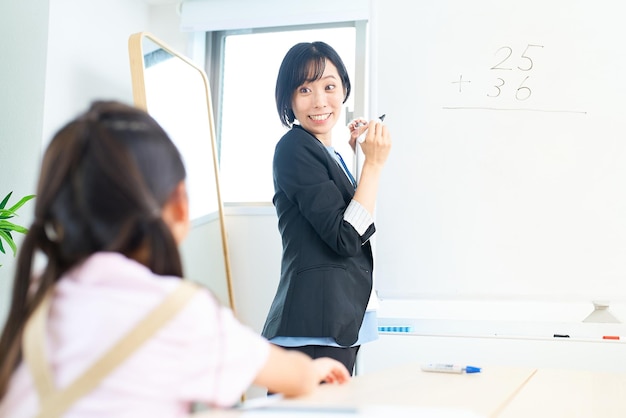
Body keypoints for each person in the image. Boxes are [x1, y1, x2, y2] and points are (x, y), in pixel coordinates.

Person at [0, 101, 350, 417]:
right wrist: (317, 371)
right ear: (180, 205)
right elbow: (294, 377)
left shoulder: (37, 299)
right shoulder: (180, 311)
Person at [261, 41, 392, 376]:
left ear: (344, 89)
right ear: (288, 98)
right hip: (314, 325)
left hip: (332, 320)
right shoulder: (293, 148)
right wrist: (373, 166)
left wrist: (352, 158)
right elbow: (346, 237)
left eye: (329, 86)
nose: (319, 101)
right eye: (304, 89)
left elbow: (338, 212)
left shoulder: (324, 152)